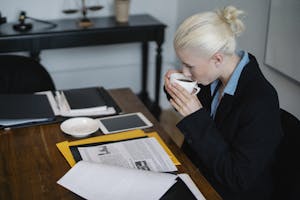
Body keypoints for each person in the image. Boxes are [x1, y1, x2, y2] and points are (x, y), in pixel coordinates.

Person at [164, 6, 283, 200]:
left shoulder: (260, 101)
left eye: (189, 66)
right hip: (196, 175)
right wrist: (173, 85)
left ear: (217, 59)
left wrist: (197, 117)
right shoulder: (211, 77)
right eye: (181, 64)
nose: (184, 72)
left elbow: (237, 178)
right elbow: (190, 99)